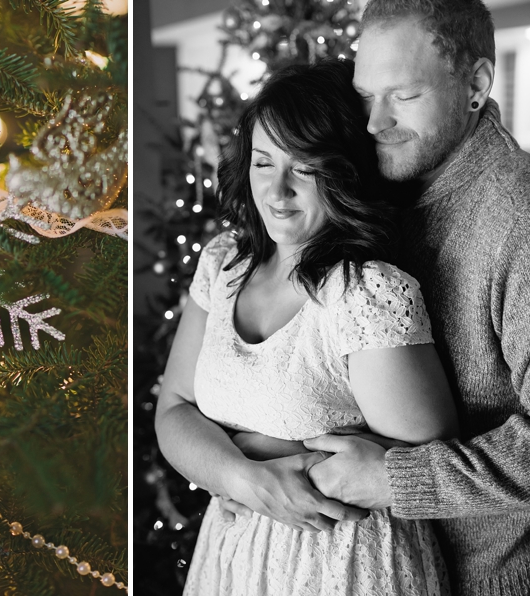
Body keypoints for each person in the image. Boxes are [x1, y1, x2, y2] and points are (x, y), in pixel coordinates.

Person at [154, 58, 458, 595]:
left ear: (343, 171)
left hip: (342, 568)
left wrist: (245, 445)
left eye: (304, 167)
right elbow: (173, 409)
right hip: (230, 561)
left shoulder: (367, 294)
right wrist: (242, 476)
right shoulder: (223, 265)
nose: (277, 191)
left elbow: (419, 469)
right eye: (263, 163)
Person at [294, 2, 530, 595]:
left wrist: (397, 480)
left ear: (475, 83)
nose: (374, 122)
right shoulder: (374, 192)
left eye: (403, 95)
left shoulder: (519, 219)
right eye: (365, 94)